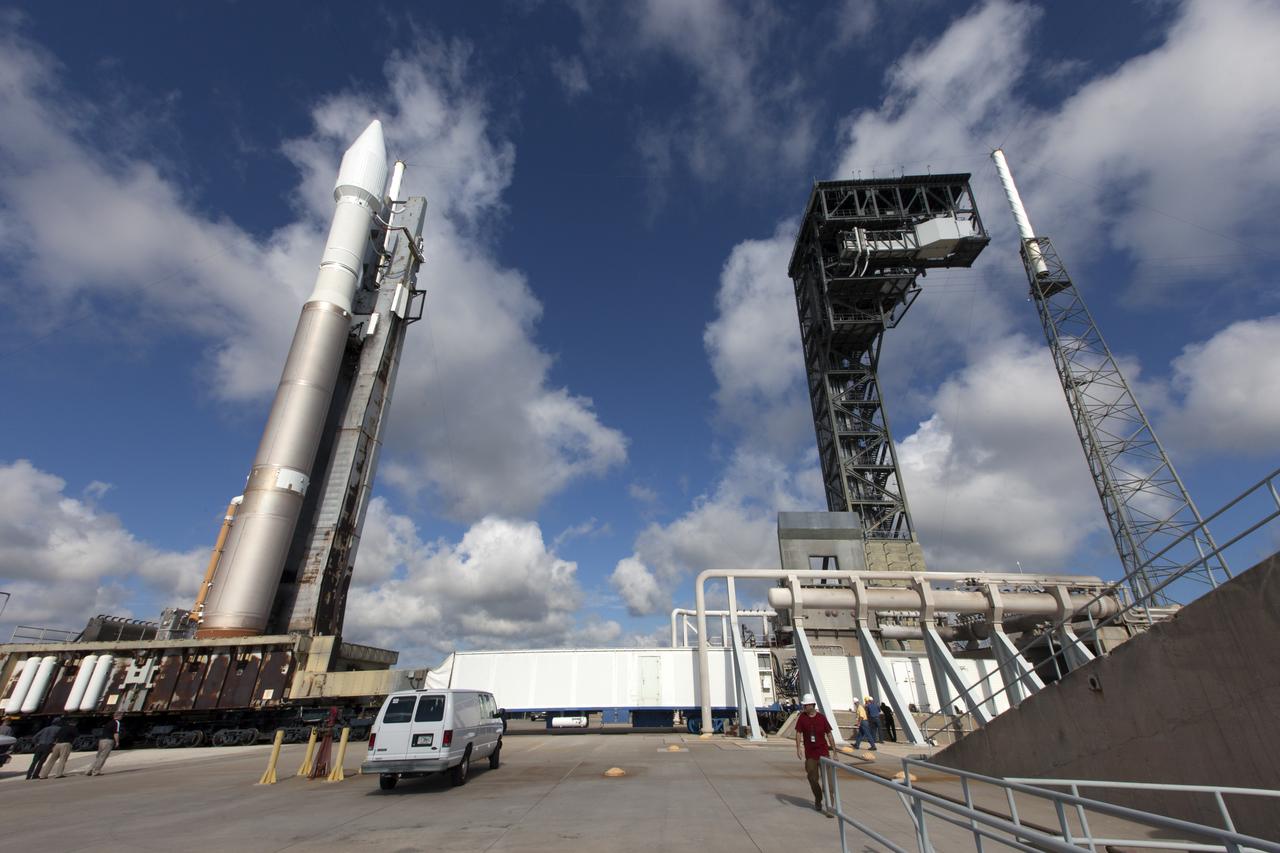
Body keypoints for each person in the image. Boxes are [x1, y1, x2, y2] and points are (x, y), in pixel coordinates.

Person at [793, 694, 835, 816]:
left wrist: (835, 752)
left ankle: (830, 808)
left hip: (824, 754)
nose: (804, 707)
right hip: (810, 755)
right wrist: (798, 748)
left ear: (812, 705)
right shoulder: (802, 718)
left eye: (806, 705)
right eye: (804, 705)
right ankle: (818, 798)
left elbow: (829, 735)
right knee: (812, 778)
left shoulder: (822, 718)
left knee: (828, 783)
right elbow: (798, 733)